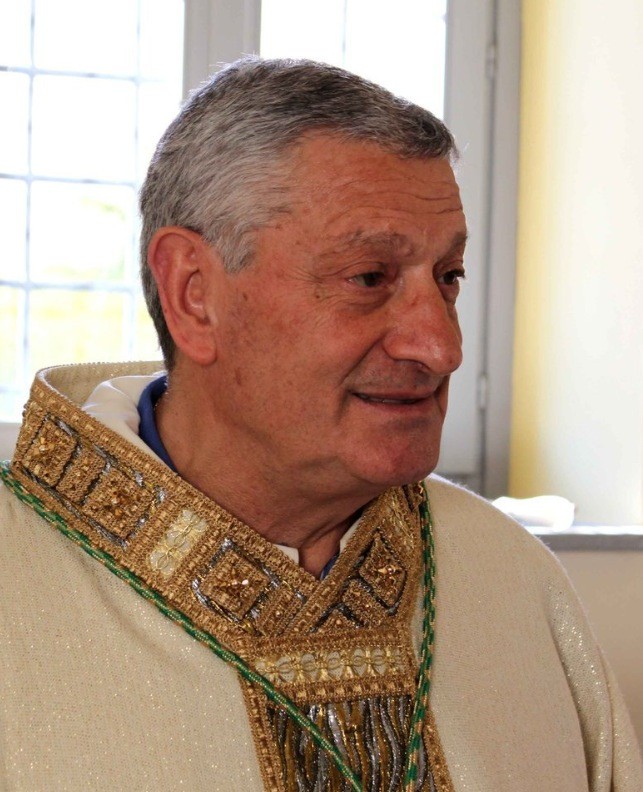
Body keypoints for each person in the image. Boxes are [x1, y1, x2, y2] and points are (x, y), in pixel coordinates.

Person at [0, 58, 640, 792]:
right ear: (194, 293)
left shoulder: (511, 577)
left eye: (448, 277)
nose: (441, 347)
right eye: (368, 278)